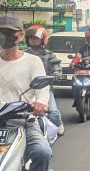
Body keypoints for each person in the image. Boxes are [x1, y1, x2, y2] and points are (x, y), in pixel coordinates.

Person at [0, 15, 52, 171]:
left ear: (21, 35)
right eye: (2, 32)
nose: (5, 37)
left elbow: (42, 90)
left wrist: (41, 103)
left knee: (42, 152)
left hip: (24, 121)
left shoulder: (32, 61)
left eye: (10, 33)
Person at [25, 25, 65, 135]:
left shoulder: (50, 55)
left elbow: (57, 69)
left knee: (53, 112)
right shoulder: (23, 54)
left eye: (36, 38)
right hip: (26, 89)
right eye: (31, 38)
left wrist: (55, 75)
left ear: (43, 39)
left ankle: (59, 123)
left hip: (45, 88)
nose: (33, 40)